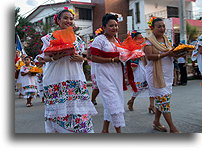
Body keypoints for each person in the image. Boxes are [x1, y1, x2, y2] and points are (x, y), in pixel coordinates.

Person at [41, 7, 97, 133]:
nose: (69, 21)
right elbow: (42, 58)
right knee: (58, 114)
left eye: (71, 19)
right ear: (58, 20)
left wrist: (80, 58)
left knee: (79, 114)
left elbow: (84, 56)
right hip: (56, 78)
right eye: (65, 18)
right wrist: (55, 57)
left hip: (75, 78)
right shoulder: (49, 38)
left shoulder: (78, 39)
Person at [90, 14, 126, 133]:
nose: (114, 28)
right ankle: (119, 132)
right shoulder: (99, 39)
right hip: (104, 75)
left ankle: (105, 129)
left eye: (116, 25)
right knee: (114, 102)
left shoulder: (117, 40)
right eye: (111, 26)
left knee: (113, 102)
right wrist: (111, 60)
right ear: (104, 27)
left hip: (116, 74)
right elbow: (93, 57)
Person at [144, 18, 179, 133]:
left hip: (167, 75)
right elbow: (149, 56)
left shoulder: (166, 40)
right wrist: (166, 54)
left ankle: (156, 122)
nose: (162, 29)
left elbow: (170, 53)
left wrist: (178, 53)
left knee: (162, 99)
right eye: (159, 26)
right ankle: (172, 128)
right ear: (152, 28)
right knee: (163, 100)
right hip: (155, 76)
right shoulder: (148, 41)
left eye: (163, 26)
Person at [126, 31, 155, 113]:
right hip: (138, 69)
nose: (142, 39)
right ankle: (131, 100)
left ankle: (151, 105)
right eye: (139, 38)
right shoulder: (133, 48)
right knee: (139, 87)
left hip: (146, 67)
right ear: (134, 39)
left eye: (142, 37)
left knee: (151, 86)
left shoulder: (144, 46)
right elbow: (132, 62)